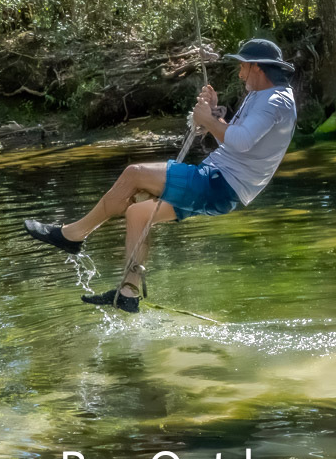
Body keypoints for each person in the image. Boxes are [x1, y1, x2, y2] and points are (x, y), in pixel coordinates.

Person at [24, 38, 297, 312]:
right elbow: (236, 140)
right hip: (220, 184)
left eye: (242, 66)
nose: (239, 73)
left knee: (134, 174)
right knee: (137, 213)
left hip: (219, 183)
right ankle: (128, 292)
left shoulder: (275, 101)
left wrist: (208, 120)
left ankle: (73, 235)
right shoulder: (265, 95)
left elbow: (241, 141)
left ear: (257, 67)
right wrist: (213, 116)